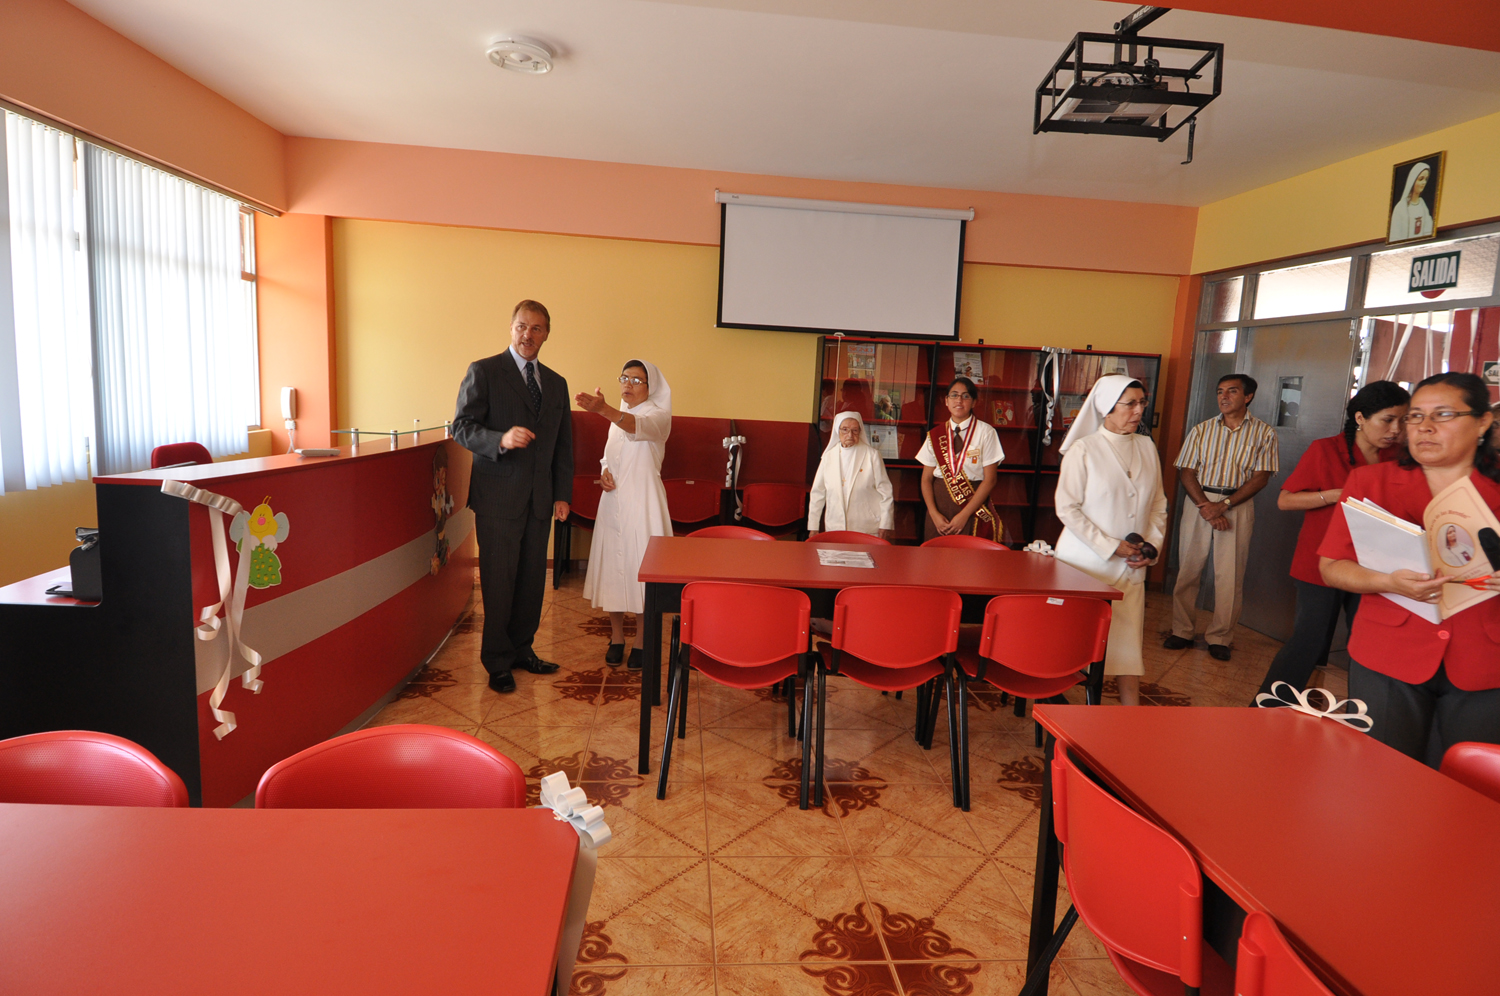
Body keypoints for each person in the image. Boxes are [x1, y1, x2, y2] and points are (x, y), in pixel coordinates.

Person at [1319, 372, 1500, 763]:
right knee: (1381, 774)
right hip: (1387, 654)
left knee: (1466, 786)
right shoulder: (1370, 482)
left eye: (1444, 415)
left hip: (1486, 662)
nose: (1425, 428)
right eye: (1415, 417)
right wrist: (1387, 581)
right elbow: (1332, 566)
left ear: (1483, 422)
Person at [1254, 381, 1410, 700]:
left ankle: (1365, 718)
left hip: (1374, 566)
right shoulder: (1326, 449)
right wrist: (1333, 496)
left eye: (1403, 420)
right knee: (1308, 641)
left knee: (1367, 642)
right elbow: (1286, 500)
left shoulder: (1400, 457)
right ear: (1361, 418)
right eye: (1388, 419)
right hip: (1320, 563)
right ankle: (1267, 708)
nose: (1396, 429)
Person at [453, 300, 573, 694]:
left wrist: (562, 494)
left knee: (531, 582)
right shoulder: (485, 371)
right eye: (522, 326)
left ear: (546, 335)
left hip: (540, 501)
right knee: (500, 582)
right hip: (498, 499)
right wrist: (499, 439)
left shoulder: (556, 383)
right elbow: (462, 428)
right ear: (511, 328)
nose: (528, 335)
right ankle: (497, 661)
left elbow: (562, 446)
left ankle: (523, 650)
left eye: (537, 328)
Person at [1054, 376, 1168, 706]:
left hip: (1132, 566)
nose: (1138, 411)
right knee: (1072, 644)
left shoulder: (1147, 446)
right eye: (1130, 404)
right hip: (1084, 565)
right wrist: (1108, 545)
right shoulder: (1084, 449)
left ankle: (1127, 717)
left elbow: (1158, 503)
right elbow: (1067, 507)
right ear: (1106, 408)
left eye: (1142, 403)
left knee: (1127, 645)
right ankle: (1060, 712)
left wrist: (1152, 546)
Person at [1165, 373, 1279, 661]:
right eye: (1219, 391)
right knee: (1188, 570)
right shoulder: (1201, 430)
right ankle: (1182, 630)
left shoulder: (1264, 433)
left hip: (1237, 505)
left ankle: (1220, 637)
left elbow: (1261, 477)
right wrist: (1207, 506)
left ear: (1248, 396)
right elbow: (1186, 471)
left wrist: (1224, 505)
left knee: (1229, 576)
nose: (1223, 397)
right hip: (1199, 503)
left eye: (1232, 391)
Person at [575, 360, 673, 669]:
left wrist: (604, 410)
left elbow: (634, 426)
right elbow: (610, 455)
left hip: (644, 505)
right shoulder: (616, 416)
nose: (628, 384)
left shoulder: (659, 416)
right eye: (625, 378)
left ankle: (643, 640)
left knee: (641, 571)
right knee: (613, 568)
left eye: (636, 380)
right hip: (614, 502)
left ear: (651, 387)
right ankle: (617, 637)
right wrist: (604, 472)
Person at [917, 377, 1003, 540]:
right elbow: (926, 479)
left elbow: (990, 480)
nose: (959, 400)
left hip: (971, 508)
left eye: (965, 396)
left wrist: (964, 516)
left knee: (967, 561)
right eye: (954, 395)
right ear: (946, 401)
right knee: (935, 559)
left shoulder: (986, 432)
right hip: (939, 510)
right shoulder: (935, 434)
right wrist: (933, 514)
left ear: (974, 402)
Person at [808, 411, 895, 540]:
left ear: (860, 431)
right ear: (837, 431)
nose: (850, 435)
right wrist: (813, 526)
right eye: (845, 430)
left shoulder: (872, 455)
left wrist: (885, 524)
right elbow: (817, 493)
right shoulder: (828, 457)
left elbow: (886, 492)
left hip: (866, 527)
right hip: (835, 526)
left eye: (855, 430)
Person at [1389, 162, 1435, 242]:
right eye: (1421, 179)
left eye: (1426, 179)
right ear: (1413, 181)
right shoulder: (1401, 207)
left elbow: (1429, 229)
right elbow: (1394, 236)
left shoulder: (1422, 204)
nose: (1424, 182)